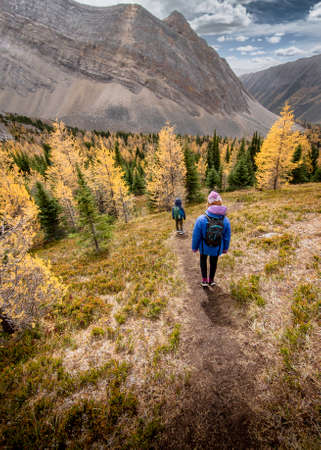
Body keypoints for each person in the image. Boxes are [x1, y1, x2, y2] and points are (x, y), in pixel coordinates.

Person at [192, 191, 231, 287]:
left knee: (203, 260)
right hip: (217, 247)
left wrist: (194, 247)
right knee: (214, 262)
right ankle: (211, 280)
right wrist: (225, 248)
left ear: (208, 203)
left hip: (204, 247)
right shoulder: (225, 220)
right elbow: (226, 236)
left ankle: (204, 280)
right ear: (220, 203)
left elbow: (196, 235)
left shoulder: (201, 219)